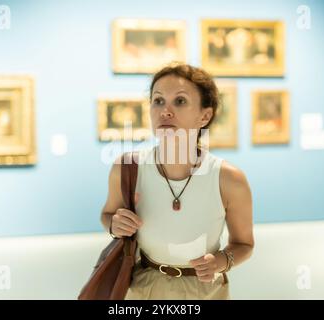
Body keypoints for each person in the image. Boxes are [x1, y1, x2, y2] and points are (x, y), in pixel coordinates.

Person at [100, 63, 254, 300]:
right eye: (158, 101)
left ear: (205, 115)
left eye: (180, 101)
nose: (165, 111)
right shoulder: (127, 168)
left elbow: (244, 244)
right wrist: (114, 224)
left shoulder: (229, 179)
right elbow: (107, 214)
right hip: (143, 284)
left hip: (206, 289)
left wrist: (222, 261)